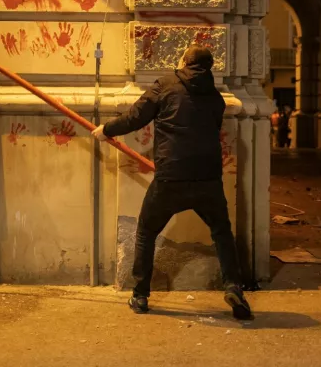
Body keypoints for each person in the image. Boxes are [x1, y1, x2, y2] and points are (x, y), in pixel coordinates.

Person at [91, 45, 253, 320]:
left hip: (171, 177)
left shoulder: (166, 86)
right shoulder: (216, 98)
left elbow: (135, 117)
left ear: (184, 62)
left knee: (146, 230)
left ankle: (140, 295)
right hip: (208, 179)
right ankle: (233, 286)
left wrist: (106, 130)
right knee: (222, 232)